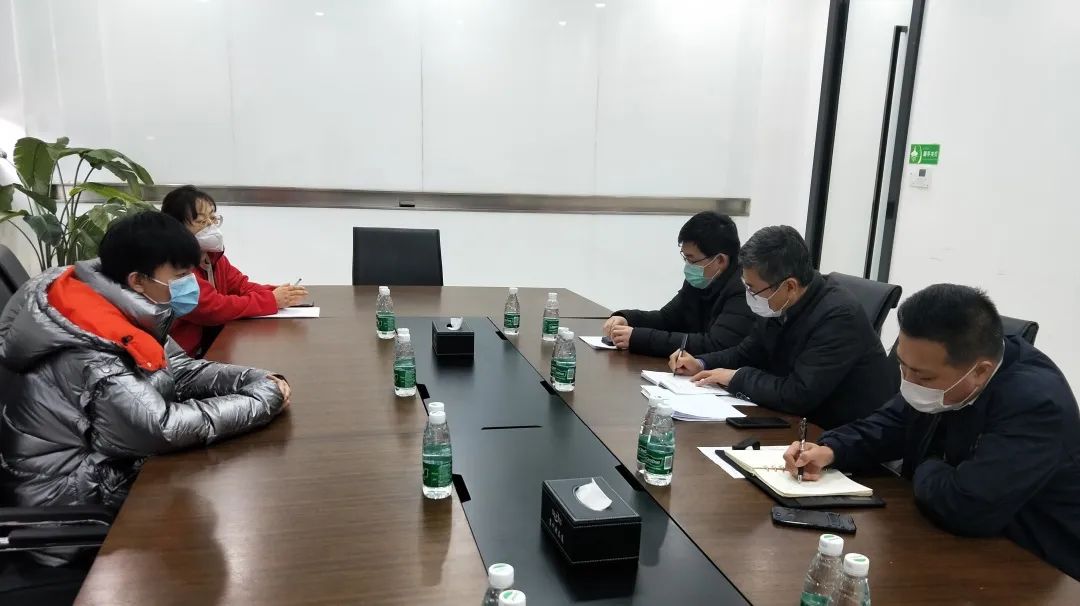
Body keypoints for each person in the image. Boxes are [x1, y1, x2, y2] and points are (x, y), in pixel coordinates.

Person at [0, 212, 290, 565]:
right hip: (70, 509)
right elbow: (160, 429)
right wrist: (263, 400)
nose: (191, 285)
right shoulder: (91, 344)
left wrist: (255, 379)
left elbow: (178, 369)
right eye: (181, 276)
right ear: (137, 280)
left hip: (107, 467)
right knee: (241, 501)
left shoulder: (124, 307)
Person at [784, 285, 1080, 580]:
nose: (908, 382)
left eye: (923, 377)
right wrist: (831, 449)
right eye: (903, 366)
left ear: (980, 372)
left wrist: (928, 464)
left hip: (1031, 565)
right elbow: (893, 422)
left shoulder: (1037, 405)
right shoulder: (940, 374)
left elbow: (966, 506)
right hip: (946, 538)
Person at [669, 225, 897, 429]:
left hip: (840, 435)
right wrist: (701, 363)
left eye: (752, 288)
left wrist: (736, 377)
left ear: (789, 286)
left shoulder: (838, 317)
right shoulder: (778, 303)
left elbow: (798, 394)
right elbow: (747, 352)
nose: (749, 295)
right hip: (796, 422)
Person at [160, 185, 307, 356]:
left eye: (213, 218)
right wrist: (271, 300)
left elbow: (240, 285)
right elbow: (213, 308)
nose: (211, 226)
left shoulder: (212, 257)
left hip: (210, 349)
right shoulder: (175, 267)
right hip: (181, 358)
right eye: (201, 221)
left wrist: (278, 293)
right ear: (176, 227)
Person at [602, 212, 755, 357]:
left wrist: (638, 338)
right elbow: (666, 319)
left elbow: (714, 344)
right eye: (685, 258)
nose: (688, 266)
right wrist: (627, 318)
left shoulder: (744, 289)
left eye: (691, 259)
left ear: (720, 260)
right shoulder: (699, 280)